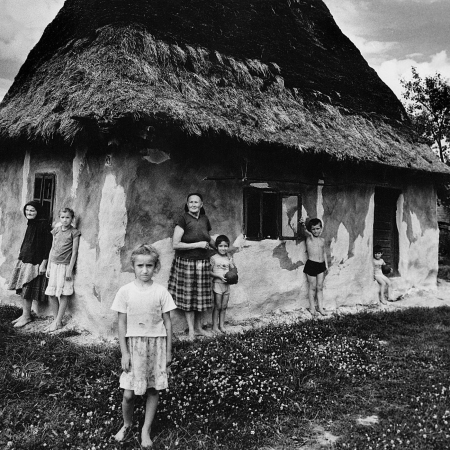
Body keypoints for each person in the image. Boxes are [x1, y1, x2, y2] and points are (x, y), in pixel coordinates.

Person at [111, 244, 176, 449]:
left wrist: (168, 352)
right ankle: (127, 424)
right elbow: (121, 323)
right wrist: (124, 353)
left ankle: (145, 429)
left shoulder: (161, 292)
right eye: (140, 266)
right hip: (134, 346)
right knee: (128, 393)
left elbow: (168, 323)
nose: (145, 270)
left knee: (153, 389)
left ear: (156, 267)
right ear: (133, 266)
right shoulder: (125, 291)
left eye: (149, 265)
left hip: (156, 346)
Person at [168, 193, 216, 340]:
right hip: (186, 263)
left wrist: (220, 250)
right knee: (189, 298)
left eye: (196, 202)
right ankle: (190, 331)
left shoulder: (204, 219)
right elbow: (176, 244)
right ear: (187, 204)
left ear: (201, 204)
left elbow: (207, 238)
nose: (194, 204)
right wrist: (198, 244)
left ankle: (199, 328)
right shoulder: (183, 219)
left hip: (202, 262)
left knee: (200, 297)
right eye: (191, 202)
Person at [8, 201, 52, 328]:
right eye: (27, 210)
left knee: (27, 290)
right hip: (26, 260)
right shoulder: (31, 223)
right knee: (23, 288)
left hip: (35, 262)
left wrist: (43, 263)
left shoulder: (43, 225)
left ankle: (27, 316)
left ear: (38, 211)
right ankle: (24, 314)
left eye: (32, 210)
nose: (29, 212)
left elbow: (47, 246)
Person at [44, 208, 81, 332]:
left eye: (68, 217)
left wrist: (70, 269)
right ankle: (56, 321)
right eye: (62, 217)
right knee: (51, 294)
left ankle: (58, 320)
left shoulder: (74, 232)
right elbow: (52, 248)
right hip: (54, 265)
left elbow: (74, 252)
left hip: (65, 266)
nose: (65, 220)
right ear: (59, 218)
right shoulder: (56, 230)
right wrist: (49, 266)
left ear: (72, 218)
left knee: (64, 294)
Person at [300, 217, 328, 317]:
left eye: (317, 228)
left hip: (321, 265)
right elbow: (305, 231)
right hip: (312, 264)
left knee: (320, 287)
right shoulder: (309, 238)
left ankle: (320, 308)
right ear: (310, 230)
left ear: (321, 228)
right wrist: (303, 224)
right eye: (313, 229)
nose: (316, 231)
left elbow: (324, 253)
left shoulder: (322, 240)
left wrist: (326, 265)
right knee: (312, 287)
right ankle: (312, 308)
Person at [210, 235, 235, 334]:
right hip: (217, 284)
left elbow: (233, 270)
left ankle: (221, 325)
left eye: (225, 246)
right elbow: (209, 272)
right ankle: (215, 327)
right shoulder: (213, 258)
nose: (223, 248)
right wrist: (219, 276)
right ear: (216, 247)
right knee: (218, 306)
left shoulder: (228, 258)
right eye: (220, 246)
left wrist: (231, 263)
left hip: (226, 285)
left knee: (224, 306)